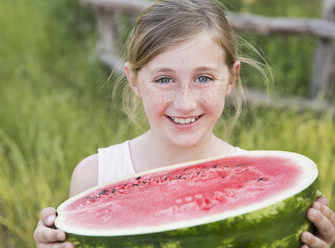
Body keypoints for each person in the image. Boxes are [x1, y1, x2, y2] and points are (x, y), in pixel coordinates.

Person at [33, 0, 335, 247]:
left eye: (204, 78)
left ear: (232, 77)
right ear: (134, 80)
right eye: (164, 79)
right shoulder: (95, 177)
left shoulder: (262, 183)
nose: (185, 103)